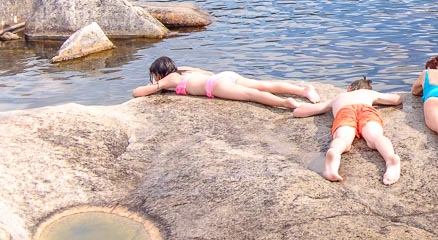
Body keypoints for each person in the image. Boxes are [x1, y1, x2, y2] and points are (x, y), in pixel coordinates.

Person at [293, 77, 403, 185]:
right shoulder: (369, 94)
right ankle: (390, 158)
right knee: (376, 137)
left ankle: (334, 153)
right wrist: (378, 101)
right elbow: (396, 99)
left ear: (350, 88)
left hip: (345, 111)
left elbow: (302, 111)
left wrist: (298, 109)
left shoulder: (339, 97)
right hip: (366, 110)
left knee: (343, 139)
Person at [133, 56, 321, 109]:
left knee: (251, 95)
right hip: (224, 75)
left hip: (215, 85)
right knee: (262, 84)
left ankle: (284, 103)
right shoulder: (184, 71)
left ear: (158, 73)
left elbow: (137, 92)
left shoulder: (169, 80)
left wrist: (156, 85)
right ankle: (303, 90)